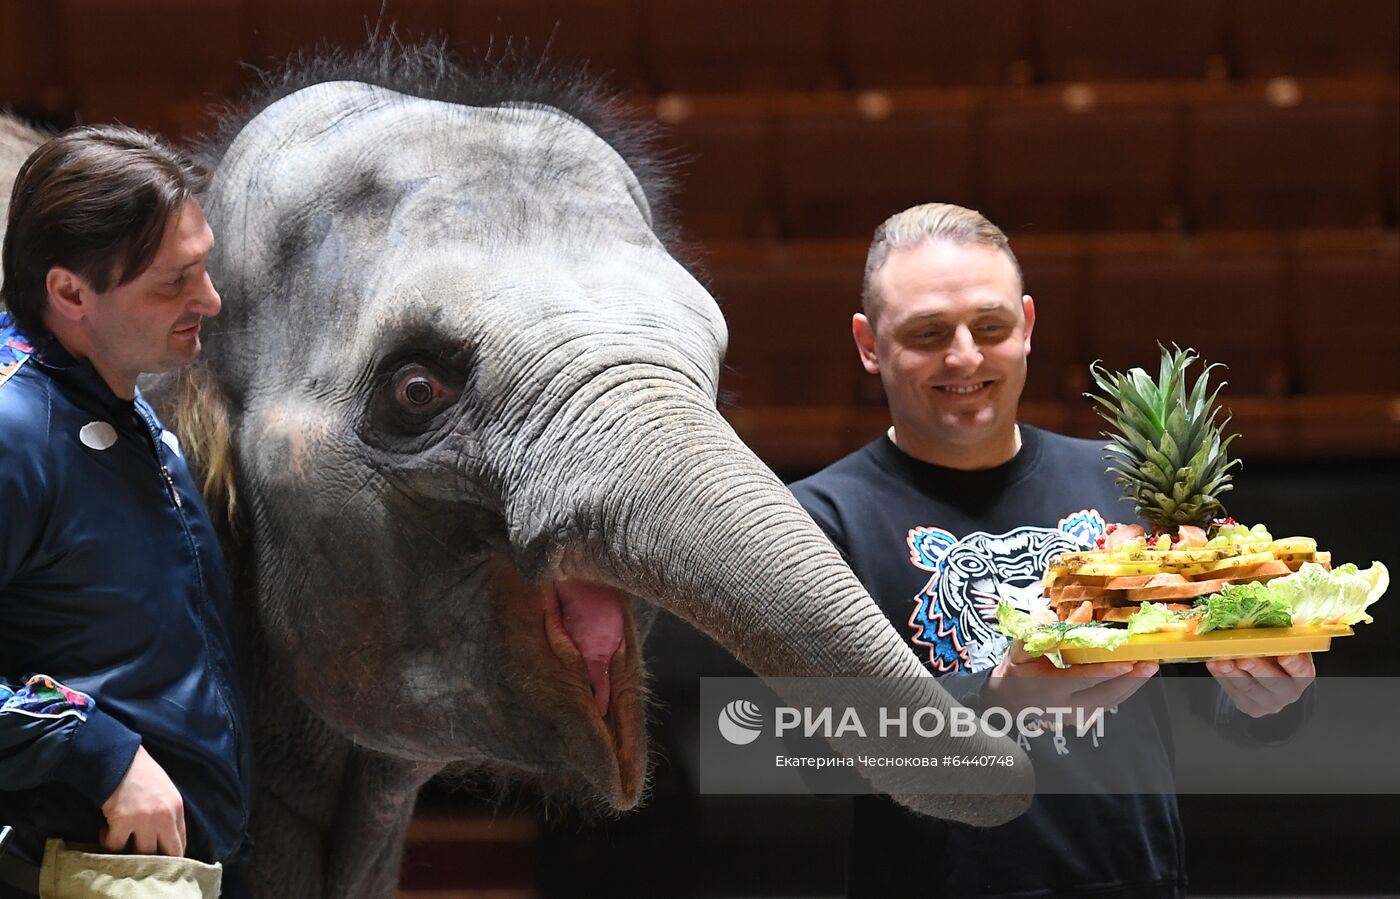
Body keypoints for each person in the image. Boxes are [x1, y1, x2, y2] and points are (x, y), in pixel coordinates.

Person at [790, 203, 1313, 898]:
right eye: (926, 333)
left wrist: (1272, 698)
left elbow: (1212, 692)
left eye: (991, 326)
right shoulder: (818, 520)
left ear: (1028, 326)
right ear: (868, 342)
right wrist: (994, 697)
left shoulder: (1124, 482)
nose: (965, 356)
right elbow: (810, 751)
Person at [0, 126, 251, 897]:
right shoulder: (12, 432)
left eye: (204, 266)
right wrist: (99, 751)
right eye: (174, 282)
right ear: (70, 293)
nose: (209, 299)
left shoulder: (139, 413)